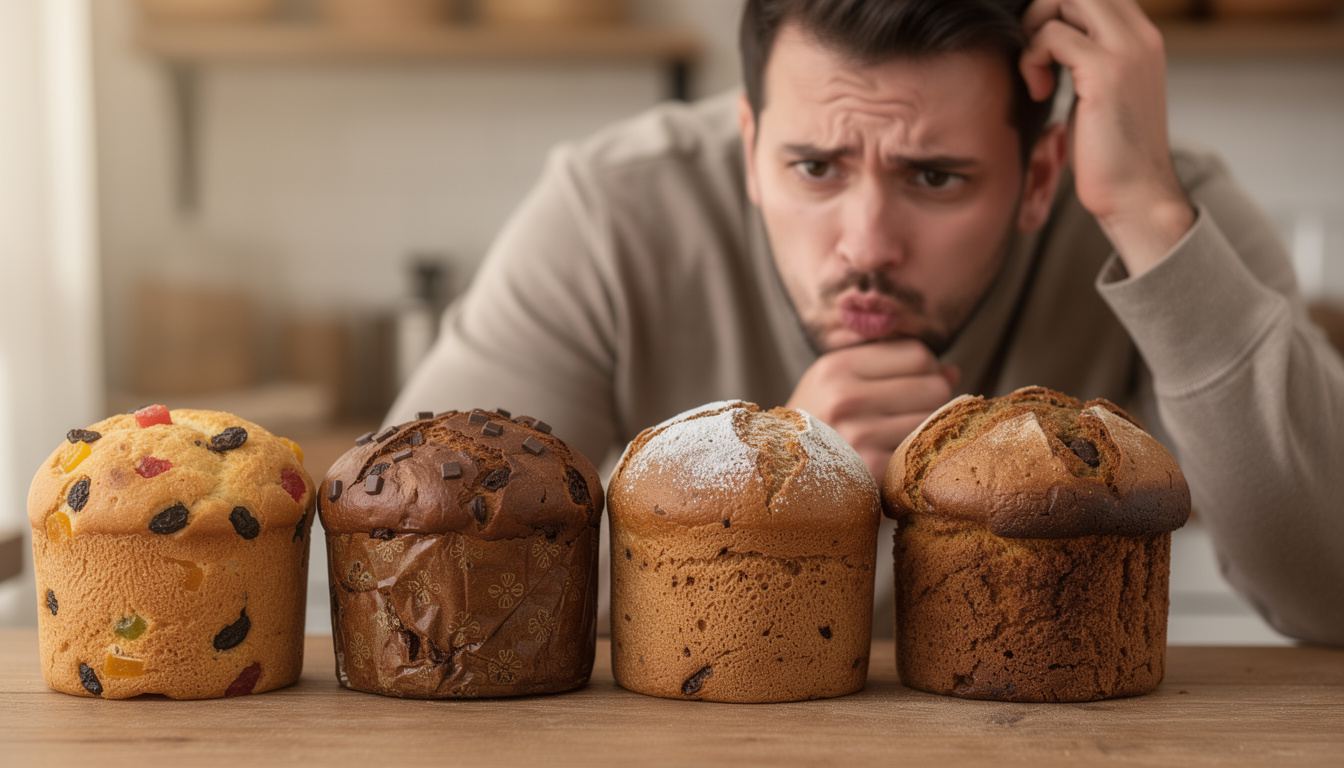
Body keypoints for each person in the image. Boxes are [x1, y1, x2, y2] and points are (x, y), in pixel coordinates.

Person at [390, 0, 1344, 644]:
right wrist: (767, 501)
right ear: (750, 148)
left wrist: (1146, 215)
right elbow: (417, 579)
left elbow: (1329, 592)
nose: (867, 245)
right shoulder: (611, 208)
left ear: (1039, 178)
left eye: (935, 176)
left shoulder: (1155, 207)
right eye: (815, 168)